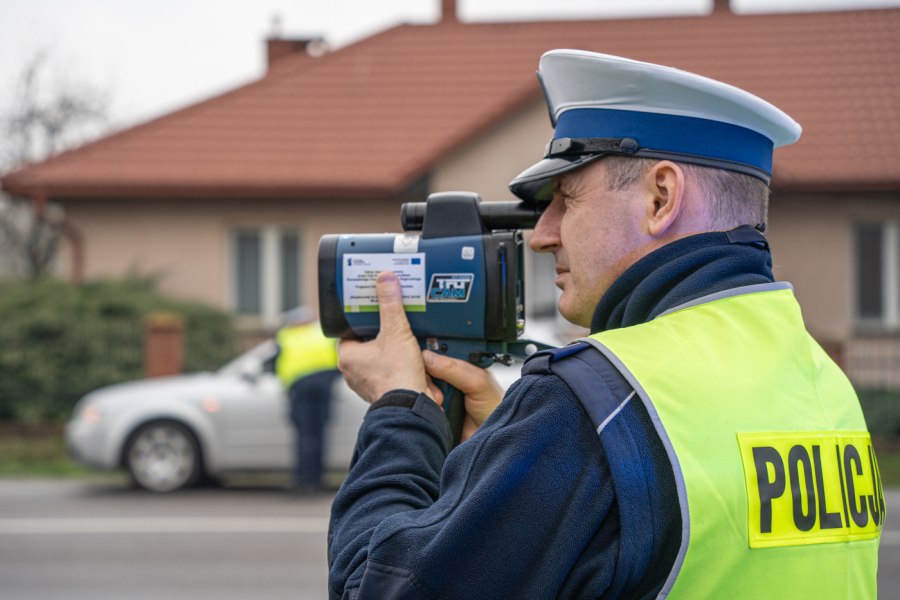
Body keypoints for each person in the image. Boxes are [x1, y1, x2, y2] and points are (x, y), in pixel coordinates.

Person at [328, 50, 883, 599]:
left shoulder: (592, 403)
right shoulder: (822, 383)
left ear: (661, 198)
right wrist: (511, 447)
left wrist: (399, 410)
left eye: (567, 199)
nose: (543, 236)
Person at [275, 309, 340, 493]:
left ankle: (303, 481)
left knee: (305, 435)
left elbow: (275, 361)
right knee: (320, 435)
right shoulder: (324, 334)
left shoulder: (286, 335)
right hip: (324, 384)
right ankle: (318, 480)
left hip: (300, 387)